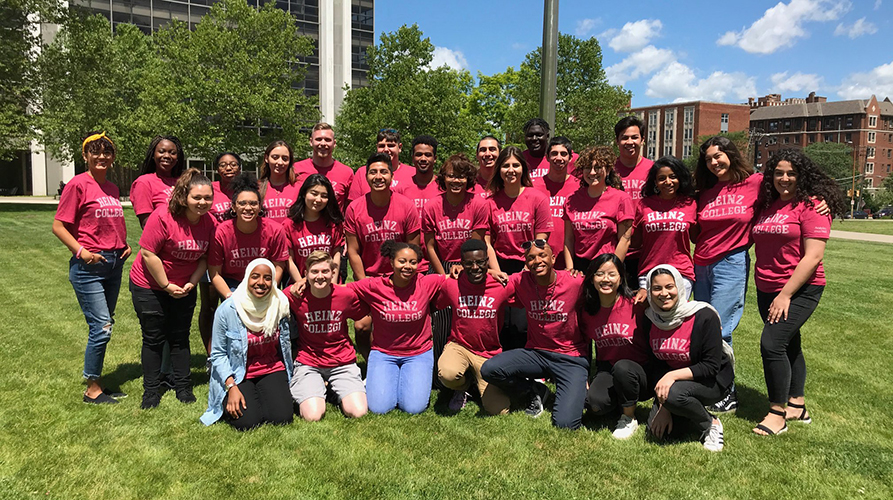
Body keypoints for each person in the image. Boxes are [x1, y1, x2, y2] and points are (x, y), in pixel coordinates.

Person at [693, 136, 830, 414]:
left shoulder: (754, 184)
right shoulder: (705, 190)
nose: (714, 162)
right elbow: (697, 230)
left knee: (720, 330)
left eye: (718, 156)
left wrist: (825, 200)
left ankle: (725, 393)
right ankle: (792, 401)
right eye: (708, 159)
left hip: (731, 263)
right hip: (702, 265)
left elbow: (792, 185)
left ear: (731, 154)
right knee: (703, 327)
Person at [750, 149, 842, 436]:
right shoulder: (768, 205)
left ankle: (777, 414)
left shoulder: (812, 206)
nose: (785, 178)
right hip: (766, 287)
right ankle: (797, 405)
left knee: (772, 344)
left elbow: (813, 256)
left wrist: (786, 295)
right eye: (779, 173)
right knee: (789, 343)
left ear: (802, 176)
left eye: (791, 173)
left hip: (800, 288)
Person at [53, 131, 131, 404]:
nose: (101, 156)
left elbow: (109, 222)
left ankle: (97, 381)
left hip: (113, 263)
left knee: (105, 324)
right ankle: (92, 389)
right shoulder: (77, 184)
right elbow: (58, 226)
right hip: (89, 266)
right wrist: (82, 252)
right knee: (102, 326)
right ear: (85, 155)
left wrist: (123, 244)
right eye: (95, 152)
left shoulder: (111, 187)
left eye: (107, 152)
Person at [129, 169, 216, 409]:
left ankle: (183, 387)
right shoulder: (163, 216)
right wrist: (166, 285)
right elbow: (148, 253)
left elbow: (205, 257)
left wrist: (192, 282)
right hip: (150, 285)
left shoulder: (209, 222)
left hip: (184, 287)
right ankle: (151, 391)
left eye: (207, 198)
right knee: (154, 338)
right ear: (184, 196)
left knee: (180, 337)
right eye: (196, 198)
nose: (202, 203)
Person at [481, 240, 589, 430]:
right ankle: (535, 389)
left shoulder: (575, 282)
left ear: (554, 259)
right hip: (536, 353)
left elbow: (603, 292)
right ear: (526, 262)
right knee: (490, 369)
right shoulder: (521, 281)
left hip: (570, 357)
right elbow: (492, 281)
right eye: (531, 258)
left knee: (566, 424)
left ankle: (574, 388)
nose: (537, 261)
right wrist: (489, 271)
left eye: (542, 255)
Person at [347, 241, 447, 414]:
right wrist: (308, 284)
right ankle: (382, 379)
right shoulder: (375, 285)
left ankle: (400, 380)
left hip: (418, 353)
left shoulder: (426, 283)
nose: (407, 266)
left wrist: (488, 271)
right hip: (384, 352)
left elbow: (456, 277)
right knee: (379, 408)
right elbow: (341, 290)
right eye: (402, 261)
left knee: (414, 408)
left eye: (413, 262)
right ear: (392, 262)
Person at [643, 265, 732, 452]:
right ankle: (679, 410)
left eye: (669, 286)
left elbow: (710, 366)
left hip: (710, 380)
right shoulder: (650, 319)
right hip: (672, 383)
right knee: (662, 433)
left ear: (680, 287)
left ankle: (711, 424)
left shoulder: (703, 315)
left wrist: (671, 378)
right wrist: (663, 406)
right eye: (657, 288)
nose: (664, 293)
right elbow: (656, 363)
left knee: (675, 396)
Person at [343, 153, 421, 360]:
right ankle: (371, 364)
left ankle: (404, 358)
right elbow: (353, 250)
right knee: (361, 327)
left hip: (400, 277)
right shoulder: (355, 208)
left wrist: (403, 278)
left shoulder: (406, 206)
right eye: (373, 172)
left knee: (400, 324)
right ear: (366, 177)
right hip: (370, 277)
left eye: (383, 171)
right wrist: (364, 283)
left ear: (391, 175)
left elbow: (414, 248)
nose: (378, 176)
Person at [201, 259, 294, 430]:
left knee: (282, 417)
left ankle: (264, 394)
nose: (261, 283)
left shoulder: (279, 304)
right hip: (238, 372)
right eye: (255, 277)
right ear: (246, 278)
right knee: (247, 422)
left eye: (267, 278)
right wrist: (231, 387)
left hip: (271, 367)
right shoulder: (229, 309)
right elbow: (218, 354)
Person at [286, 251, 369, 421]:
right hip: (309, 362)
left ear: (333, 273)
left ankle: (332, 389)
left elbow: (367, 313)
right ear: (306, 274)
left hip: (342, 361)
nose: (320, 276)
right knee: (313, 415)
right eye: (314, 272)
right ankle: (319, 388)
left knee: (358, 412)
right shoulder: (295, 295)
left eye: (325, 271)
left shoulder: (345, 296)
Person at [485, 145, 553, 350]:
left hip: (529, 265)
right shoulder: (490, 202)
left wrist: (528, 266)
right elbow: (486, 241)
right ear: (499, 170)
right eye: (506, 165)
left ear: (523, 169)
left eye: (515, 165)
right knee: (501, 322)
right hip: (500, 264)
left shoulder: (537, 198)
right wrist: (496, 271)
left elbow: (541, 239)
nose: (511, 170)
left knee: (521, 324)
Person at [435, 239, 513, 415]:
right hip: (459, 346)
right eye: (469, 263)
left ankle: (478, 382)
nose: (475, 267)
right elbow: (436, 304)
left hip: (488, 352)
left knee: (499, 410)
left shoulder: (501, 285)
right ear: (461, 264)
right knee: (447, 374)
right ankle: (463, 386)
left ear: (487, 261)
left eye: (480, 262)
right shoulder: (452, 284)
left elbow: (529, 285)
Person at [580, 254, 651, 439]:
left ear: (621, 278)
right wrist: (584, 378)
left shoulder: (637, 304)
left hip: (639, 369)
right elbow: (583, 347)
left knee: (623, 368)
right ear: (592, 279)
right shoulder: (588, 312)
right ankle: (619, 402)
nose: (606, 279)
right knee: (595, 405)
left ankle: (629, 418)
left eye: (612, 274)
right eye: (600, 274)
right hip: (608, 369)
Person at [208, 173, 289, 296]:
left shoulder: (275, 230)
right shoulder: (221, 232)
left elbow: (279, 266)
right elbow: (215, 273)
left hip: (263, 282)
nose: (248, 208)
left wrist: (269, 291)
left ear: (260, 206)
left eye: (253, 203)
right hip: (233, 283)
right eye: (242, 203)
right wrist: (230, 297)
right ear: (234, 207)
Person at [632, 156, 698, 299]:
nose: (668, 182)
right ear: (655, 182)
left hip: (681, 271)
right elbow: (635, 242)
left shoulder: (690, 203)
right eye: (662, 178)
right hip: (649, 271)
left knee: (676, 318)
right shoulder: (644, 204)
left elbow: (695, 238)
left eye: (673, 177)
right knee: (649, 319)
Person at [563, 146, 634, 273]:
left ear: (607, 170)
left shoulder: (621, 199)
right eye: (587, 167)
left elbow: (625, 239)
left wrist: (613, 268)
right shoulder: (571, 200)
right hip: (580, 267)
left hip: (607, 264)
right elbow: (569, 239)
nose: (592, 172)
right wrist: (570, 269)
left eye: (597, 167)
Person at [200, 152, 242, 354]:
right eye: (224, 165)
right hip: (210, 254)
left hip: (236, 255)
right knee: (209, 306)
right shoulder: (211, 190)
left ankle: (236, 350)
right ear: (217, 169)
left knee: (236, 305)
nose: (228, 168)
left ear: (239, 168)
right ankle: (211, 354)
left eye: (233, 164)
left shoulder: (244, 191)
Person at [422, 154, 489, 277]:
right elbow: (430, 247)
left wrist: (463, 268)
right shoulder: (431, 207)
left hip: (470, 263)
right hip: (440, 264)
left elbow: (475, 245)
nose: (456, 181)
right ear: (443, 178)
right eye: (451, 176)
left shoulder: (479, 204)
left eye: (461, 177)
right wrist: (443, 277)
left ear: (468, 179)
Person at [395, 135, 443, 275]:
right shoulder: (401, 189)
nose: (423, 159)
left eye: (428, 155)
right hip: (409, 260)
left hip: (438, 259)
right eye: (419, 155)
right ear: (412, 158)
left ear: (435, 158)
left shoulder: (443, 188)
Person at [613, 116, 653, 285]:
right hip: (614, 249)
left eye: (634, 137)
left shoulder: (653, 170)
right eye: (624, 137)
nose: (630, 142)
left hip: (647, 251)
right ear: (617, 141)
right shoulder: (608, 171)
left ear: (642, 140)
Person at [282, 174, 344, 283]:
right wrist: (301, 282)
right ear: (304, 194)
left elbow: (336, 255)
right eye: (314, 193)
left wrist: (332, 284)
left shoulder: (334, 224)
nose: (318, 199)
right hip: (301, 285)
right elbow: (289, 260)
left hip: (328, 284)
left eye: (324, 196)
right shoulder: (289, 225)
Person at [532, 137, 580, 269]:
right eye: (554, 153)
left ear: (570, 158)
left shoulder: (579, 187)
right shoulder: (533, 186)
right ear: (547, 157)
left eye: (564, 154)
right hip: (540, 256)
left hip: (570, 257)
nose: (559, 158)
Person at [293, 123, 354, 211]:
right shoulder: (296, 169)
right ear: (311, 142)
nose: (323, 143)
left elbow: (350, 208)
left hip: (334, 224)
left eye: (327, 140)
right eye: (318, 139)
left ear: (334, 143)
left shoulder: (347, 173)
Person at [131, 135, 186, 228]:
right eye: (161, 152)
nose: (167, 156)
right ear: (153, 155)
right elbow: (146, 224)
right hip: (166, 240)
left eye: (172, 153)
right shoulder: (144, 182)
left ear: (177, 158)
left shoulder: (183, 181)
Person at [348, 128, 416, 201]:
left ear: (399, 147)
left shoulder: (413, 173)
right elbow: (354, 205)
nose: (386, 149)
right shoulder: (362, 173)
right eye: (382, 146)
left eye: (390, 145)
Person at [258, 140, 299, 226]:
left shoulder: (298, 187)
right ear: (266, 158)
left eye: (285, 159)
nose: (280, 162)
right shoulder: (257, 188)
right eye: (275, 157)